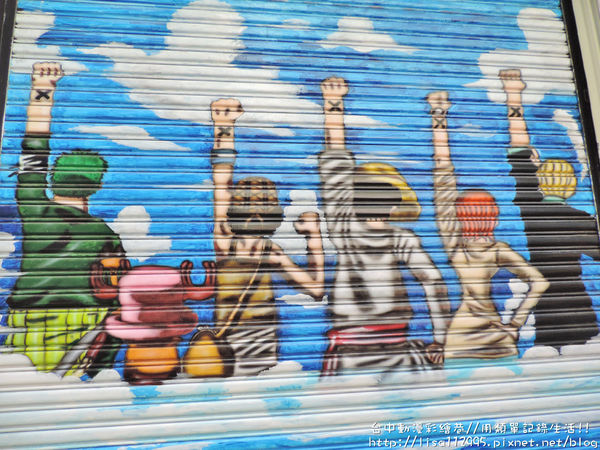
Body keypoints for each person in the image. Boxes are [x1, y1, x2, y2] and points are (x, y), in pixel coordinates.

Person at [318, 77, 451, 376]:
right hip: (398, 350)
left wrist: (333, 103)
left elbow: (335, 163)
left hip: (348, 350)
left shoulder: (342, 227)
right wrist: (441, 339)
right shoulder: (402, 239)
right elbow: (433, 282)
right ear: (394, 205)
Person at [5, 62, 126, 377]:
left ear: (53, 177)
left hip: (30, 317)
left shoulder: (35, 210)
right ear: (97, 186)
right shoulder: (105, 234)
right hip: (83, 319)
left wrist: (42, 89)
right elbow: (118, 293)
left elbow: (34, 152)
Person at [427, 90, 549, 360]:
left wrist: (439, 116)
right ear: (493, 216)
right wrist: (515, 325)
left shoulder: (455, 246)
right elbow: (539, 282)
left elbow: (442, 174)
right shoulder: (498, 250)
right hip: (498, 337)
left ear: (460, 216)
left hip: (459, 337)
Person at [208, 98, 325, 376]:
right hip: (253, 342)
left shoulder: (230, 242)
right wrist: (314, 237)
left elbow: (221, 182)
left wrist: (223, 125)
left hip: (248, 341)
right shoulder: (258, 248)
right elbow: (316, 288)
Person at [500, 69, 600, 350]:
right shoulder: (582, 219)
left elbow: (518, 152)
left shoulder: (531, 210)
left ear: (540, 182)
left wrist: (512, 94)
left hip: (547, 310)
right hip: (579, 308)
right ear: (571, 187)